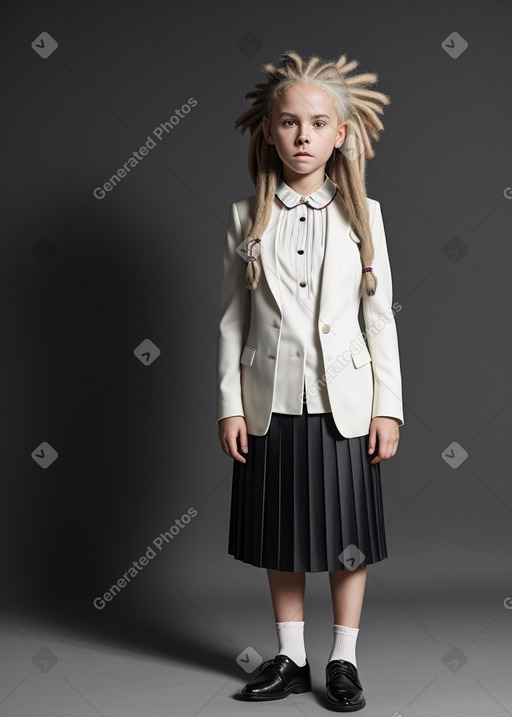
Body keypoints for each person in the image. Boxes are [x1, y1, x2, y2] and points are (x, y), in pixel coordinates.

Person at [216, 49, 404, 712]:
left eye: (317, 123)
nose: (302, 135)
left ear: (341, 133)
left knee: (348, 540)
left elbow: (379, 319)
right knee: (282, 534)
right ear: (267, 129)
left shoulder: (366, 216)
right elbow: (232, 323)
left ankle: (343, 659)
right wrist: (229, 405)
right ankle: (291, 656)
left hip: (346, 404)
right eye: (289, 122)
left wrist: (390, 408)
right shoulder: (246, 219)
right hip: (270, 401)